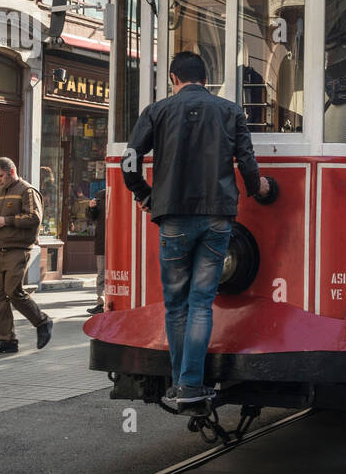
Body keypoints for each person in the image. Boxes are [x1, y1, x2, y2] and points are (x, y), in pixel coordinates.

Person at [123, 51, 266, 407]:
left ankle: (180, 384)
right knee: (202, 302)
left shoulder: (157, 111)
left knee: (176, 305)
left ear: (173, 78)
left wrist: (146, 195)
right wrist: (256, 188)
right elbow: (247, 160)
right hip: (217, 217)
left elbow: (129, 161)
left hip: (172, 217)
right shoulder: (231, 111)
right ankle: (191, 384)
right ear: (206, 78)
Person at [0, 158, 53, 354]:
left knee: (13, 291)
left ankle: (42, 321)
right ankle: (6, 340)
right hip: (0, 247)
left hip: (19, 248)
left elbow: (35, 217)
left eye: (1, 177)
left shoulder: (27, 191)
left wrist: (5, 220)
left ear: (12, 172)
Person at [87, 194, 106, 315]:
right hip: (103, 241)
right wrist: (91, 207)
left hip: (121, 240)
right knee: (101, 273)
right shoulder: (101, 195)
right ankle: (101, 303)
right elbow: (91, 217)